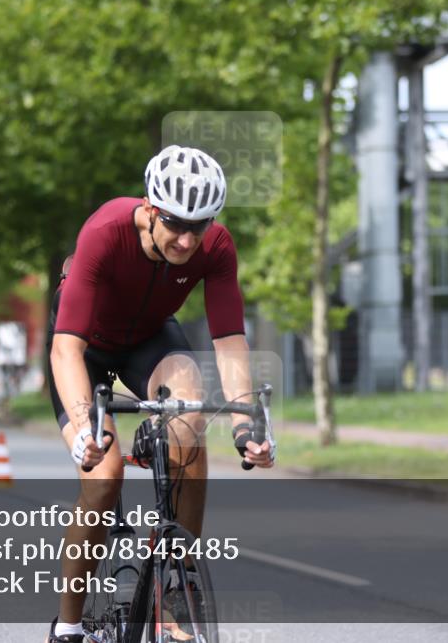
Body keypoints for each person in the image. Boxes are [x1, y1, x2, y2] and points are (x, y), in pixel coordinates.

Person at [44, 145, 275, 643]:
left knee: (190, 416)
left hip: (148, 339)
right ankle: (66, 624)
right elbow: (65, 349)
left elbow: (229, 340)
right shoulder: (105, 232)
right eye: (175, 222)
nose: (188, 238)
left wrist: (243, 425)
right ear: (150, 210)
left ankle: (177, 584)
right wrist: (86, 428)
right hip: (84, 346)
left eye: (201, 224)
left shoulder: (216, 247)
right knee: (102, 479)